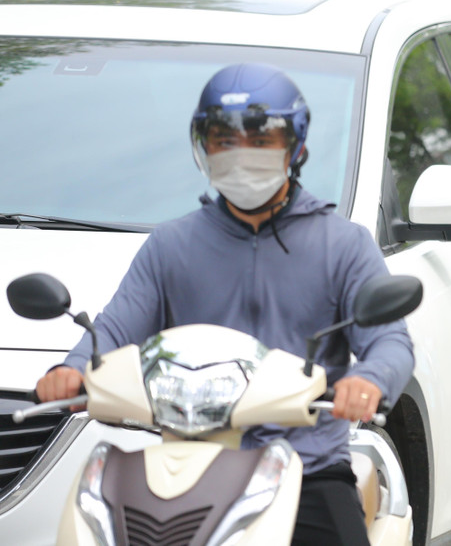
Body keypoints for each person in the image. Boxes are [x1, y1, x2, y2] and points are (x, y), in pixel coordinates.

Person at [36, 64, 415, 546]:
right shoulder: (172, 246)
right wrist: (71, 371)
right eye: (225, 140)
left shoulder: (343, 245)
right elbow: (113, 329)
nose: (242, 154)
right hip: (186, 466)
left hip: (307, 470)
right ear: (204, 147)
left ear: (295, 146)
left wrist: (370, 380)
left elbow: (391, 341)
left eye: (261, 140)